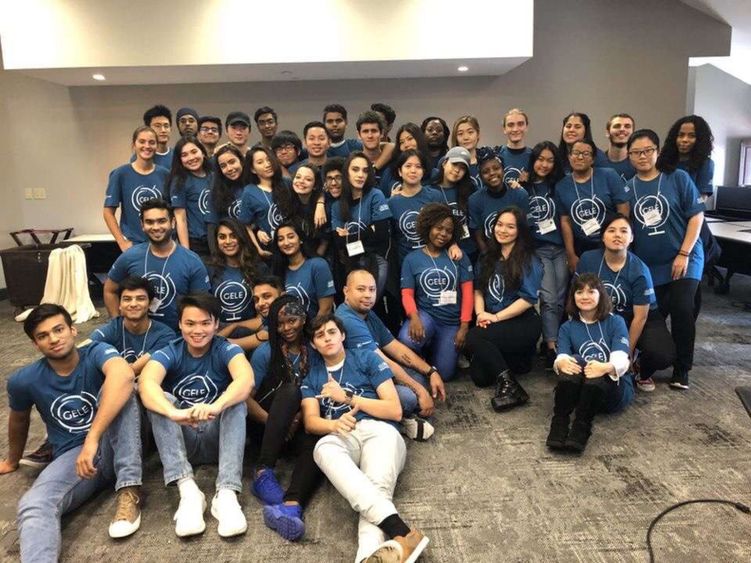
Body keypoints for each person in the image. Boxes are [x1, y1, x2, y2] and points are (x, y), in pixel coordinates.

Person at [1, 304, 142, 561]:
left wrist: (92, 438)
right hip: (75, 459)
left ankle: (129, 488)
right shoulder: (24, 380)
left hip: (117, 443)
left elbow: (123, 375)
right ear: (35, 344)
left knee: (122, 389)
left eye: (58, 330)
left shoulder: (96, 352)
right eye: (43, 336)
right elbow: (18, 421)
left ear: (73, 330)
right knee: (35, 504)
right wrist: (12, 460)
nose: (53, 339)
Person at [301, 314, 430, 563]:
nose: (327, 338)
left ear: (343, 335)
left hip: (381, 431)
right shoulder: (313, 376)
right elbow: (310, 422)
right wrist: (334, 423)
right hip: (343, 435)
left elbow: (394, 409)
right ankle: (402, 532)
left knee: (376, 487)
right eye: (319, 335)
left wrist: (349, 398)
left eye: (331, 332)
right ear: (313, 344)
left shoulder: (365, 358)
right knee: (322, 448)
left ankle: (367, 555)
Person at [139, 294, 254, 538]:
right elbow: (147, 383)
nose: (198, 330)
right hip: (182, 440)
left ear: (216, 324)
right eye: (190, 323)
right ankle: (189, 491)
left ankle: (227, 494)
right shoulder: (169, 351)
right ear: (180, 324)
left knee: (236, 401)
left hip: (218, 438)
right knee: (161, 402)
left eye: (205, 323)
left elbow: (246, 380)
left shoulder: (226, 348)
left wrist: (217, 405)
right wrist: (173, 412)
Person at [626, 129, 704, 390]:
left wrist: (683, 253)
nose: (642, 156)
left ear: (657, 151)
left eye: (648, 150)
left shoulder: (677, 178)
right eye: (636, 152)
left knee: (683, 307)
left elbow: (696, 217)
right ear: (629, 156)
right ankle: (651, 359)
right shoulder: (628, 187)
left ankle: (682, 368)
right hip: (649, 265)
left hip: (685, 257)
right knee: (653, 319)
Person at [336, 269, 446, 441]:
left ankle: (397, 414)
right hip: (359, 384)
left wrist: (431, 371)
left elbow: (394, 347)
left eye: (372, 290)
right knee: (410, 397)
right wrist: (419, 392)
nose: (368, 295)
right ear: (346, 291)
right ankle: (397, 420)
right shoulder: (347, 319)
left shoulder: (367, 313)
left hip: (375, 374)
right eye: (361, 289)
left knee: (420, 377)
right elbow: (384, 362)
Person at [248, 296, 322, 541]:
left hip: (299, 423)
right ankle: (262, 472)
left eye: (293, 320)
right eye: (280, 324)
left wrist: (297, 419)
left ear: (303, 319)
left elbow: (318, 392)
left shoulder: (314, 350)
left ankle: (291, 506)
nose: (287, 328)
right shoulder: (265, 352)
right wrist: (277, 423)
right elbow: (245, 398)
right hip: (266, 426)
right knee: (291, 390)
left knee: (318, 442)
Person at [576, 214, 675, 392]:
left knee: (662, 354)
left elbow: (640, 317)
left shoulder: (639, 270)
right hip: (602, 317)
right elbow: (577, 298)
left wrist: (625, 353)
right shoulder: (588, 260)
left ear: (631, 238)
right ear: (602, 236)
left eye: (624, 231)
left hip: (638, 318)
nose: (617, 235)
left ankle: (640, 368)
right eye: (611, 230)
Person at [466, 207, 542, 411]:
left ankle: (511, 388)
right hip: (493, 320)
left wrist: (495, 318)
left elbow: (527, 299)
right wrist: (481, 314)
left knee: (473, 337)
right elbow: (479, 290)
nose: (503, 230)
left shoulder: (529, 259)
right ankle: (515, 365)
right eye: (499, 225)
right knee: (480, 378)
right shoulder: (487, 257)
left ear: (520, 231)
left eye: (510, 226)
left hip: (522, 321)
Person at [547, 274, 633, 453]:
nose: (585, 297)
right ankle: (560, 422)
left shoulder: (616, 322)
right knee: (574, 361)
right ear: (573, 296)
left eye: (591, 291)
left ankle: (581, 427)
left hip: (612, 392)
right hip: (582, 393)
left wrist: (605, 367)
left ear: (601, 295)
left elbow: (621, 360)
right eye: (579, 292)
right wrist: (561, 363)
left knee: (595, 369)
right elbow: (561, 356)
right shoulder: (567, 327)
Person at [104, 199, 211, 331]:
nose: (156, 227)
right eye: (149, 222)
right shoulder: (130, 256)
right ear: (142, 225)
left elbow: (201, 305)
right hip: (137, 335)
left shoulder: (192, 261)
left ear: (172, 222)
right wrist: (118, 326)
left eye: (161, 221)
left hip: (176, 339)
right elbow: (110, 290)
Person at [399, 203, 474, 382]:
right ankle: (423, 355)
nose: (443, 234)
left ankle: (434, 349)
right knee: (407, 340)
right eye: (438, 228)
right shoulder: (412, 259)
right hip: (426, 317)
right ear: (428, 227)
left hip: (451, 323)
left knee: (446, 374)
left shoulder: (458, 256)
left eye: (448, 231)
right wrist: (414, 317)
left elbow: (468, 293)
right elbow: (407, 294)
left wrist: (464, 326)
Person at [523, 141, 567, 367]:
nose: (544, 164)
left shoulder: (559, 185)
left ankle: (554, 340)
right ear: (533, 161)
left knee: (560, 299)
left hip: (560, 248)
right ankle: (551, 346)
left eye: (550, 160)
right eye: (540, 159)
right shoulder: (523, 186)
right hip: (538, 249)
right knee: (548, 298)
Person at [555, 138, 630, 270]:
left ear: (593, 159)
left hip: (611, 243)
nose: (580, 157)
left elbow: (623, 208)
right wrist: (570, 253)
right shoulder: (561, 186)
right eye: (576, 153)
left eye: (586, 154)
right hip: (582, 248)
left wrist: (622, 240)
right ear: (569, 156)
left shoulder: (608, 176)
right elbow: (565, 221)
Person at [331, 151, 393, 295]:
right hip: (350, 262)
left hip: (375, 260)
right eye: (355, 169)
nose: (360, 175)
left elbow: (382, 234)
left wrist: (350, 239)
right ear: (346, 173)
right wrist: (370, 231)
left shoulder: (375, 195)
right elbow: (339, 243)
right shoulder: (337, 205)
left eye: (365, 170)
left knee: (367, 303)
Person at [91, 275, 177, 376]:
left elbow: (135, 369)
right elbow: (87, 350)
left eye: (140, 299)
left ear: (150, 303)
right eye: (127, 299)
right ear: (120, 305)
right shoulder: (111, 329)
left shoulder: (166, 335)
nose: (133, 304)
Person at [104, 126, 170, 251]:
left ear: (156, 146)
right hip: (134, 245)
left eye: (151, 142)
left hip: (163, 243)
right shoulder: (120, 174)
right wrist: (121, 242)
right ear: (134, 145)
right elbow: (108, 212)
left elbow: (174, 211)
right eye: (142, 141)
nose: (147, 146)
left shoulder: (165, 174)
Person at [239, 145, 296, 258]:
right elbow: (246, 225)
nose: (267, 164)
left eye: (269, 160)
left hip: (293, 243)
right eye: (260, 162)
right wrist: (258, 249)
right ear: (252, 169)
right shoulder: (249, 192)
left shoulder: (286, 183)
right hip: (270, 249)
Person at [388, 149, 444, 263]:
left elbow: (446, 228)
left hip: (435, 260)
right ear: (400, 171)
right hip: (404, 262)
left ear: (423, 171)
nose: (413, 170)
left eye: (418, 167)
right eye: (408, 166)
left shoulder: (435, 196)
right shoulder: (391, 203)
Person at [469, 153, 530, 254]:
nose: (492, 173)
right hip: (490, 254)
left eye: (496, 168)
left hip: (517, 253)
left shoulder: (519, 194)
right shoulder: (475, 200)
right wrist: (488, 258)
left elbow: (526, 231)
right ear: (480, 176)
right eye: (485, 171)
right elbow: (478, 234)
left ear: (503, 169)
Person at [272, 221, 335, 318]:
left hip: (316, 328)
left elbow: (325, 309)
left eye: (291, 237)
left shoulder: (318, 265)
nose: (286, 242)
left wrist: (313, 332)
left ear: (300, 239)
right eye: (281, 239)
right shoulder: (279, 270)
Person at [208, 218, 265, 325]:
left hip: (254, 332)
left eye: (233, 236)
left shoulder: (259, 268)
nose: (228, 241)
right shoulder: (209, 269)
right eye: (222, 237)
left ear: (242, 237)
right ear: (216, 241)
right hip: (219, 334)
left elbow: (265, 313)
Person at [427, 146, 477, 259]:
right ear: (444, 163)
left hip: (468, 250)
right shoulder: (429, 190)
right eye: (454, 164)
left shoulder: (470, 190)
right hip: (440, 251)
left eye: (462, 168)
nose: (457, 170)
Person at [168, 135, 214, 257]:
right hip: (196, 242)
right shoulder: (179, 181)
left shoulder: (213, 175)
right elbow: (180, 219)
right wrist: (186, 251)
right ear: (179, 160)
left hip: (218, 238)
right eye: (184, 155)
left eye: (194, 152)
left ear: (203, 152)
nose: (191, 158)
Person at [218, 274, 284, 352]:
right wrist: (234, 325)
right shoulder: (273, 317)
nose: (260, 303)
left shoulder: (281, 324)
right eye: (256, 300)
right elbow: (258, 322)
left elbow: (230, 344)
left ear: (282, 296)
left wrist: (210, 341)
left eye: (267, 296)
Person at [660, 115, 715, 199]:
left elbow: (702, 198)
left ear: (700, 139)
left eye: (692, 136)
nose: (684, 140)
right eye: (681, 135)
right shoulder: (663, 160)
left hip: (688, 211)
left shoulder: (706, 164)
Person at [291, 163, 329, 256]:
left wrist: (316, 259)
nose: (301, 181)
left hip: (321, 255)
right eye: (298, 177)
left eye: (308, 179)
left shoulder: (324, 207)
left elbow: (325, 241)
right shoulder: (289, 200)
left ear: (315, 185)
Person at [496, 108, 533, 188]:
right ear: (504, 129)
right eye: (510, 125)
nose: (515, 129)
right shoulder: (495, 156)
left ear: (526, 127)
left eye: (520, 124)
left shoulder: (535, 157)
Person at [210, 144, 248, 222]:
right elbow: (213, 224)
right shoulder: (217, 191)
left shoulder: (255, 183)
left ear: (241, 161)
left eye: (232, 162)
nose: (229, 168)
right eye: (223, 166)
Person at [450, 115, 484, 188]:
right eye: (460, 134)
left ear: (478, 134)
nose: (466, 137)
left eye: (470, 132)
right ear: (455, 138)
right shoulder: (449, 164)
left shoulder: (488, 161)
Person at [603, 113, 636, 181]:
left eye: (627, 126)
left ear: (633, 133)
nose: (622, 129)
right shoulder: (597, 163)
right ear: (607, 133)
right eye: (617, 126)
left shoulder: (638, 163)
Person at [140, 104, 173, 169]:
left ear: (171, 129)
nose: (163, 130)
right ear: (148, 129)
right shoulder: (141, 157)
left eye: (166, 126)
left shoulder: (177, 155)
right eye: (157, 126)